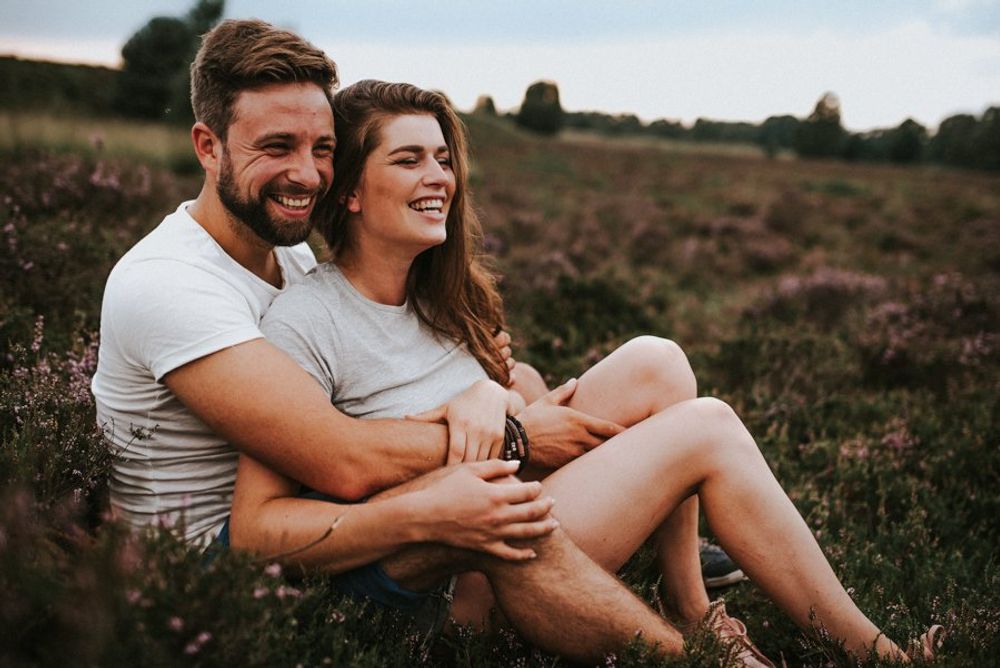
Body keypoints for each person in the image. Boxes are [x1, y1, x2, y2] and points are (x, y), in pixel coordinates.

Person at [232, 79, 943, 665]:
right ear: (350, 193)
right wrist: (480, 417)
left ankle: (690, 603)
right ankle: (879, 656)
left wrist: (507, 392)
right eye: (410, 160)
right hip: (464, 570)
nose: (439, 178)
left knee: (658, 364)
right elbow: (268, 519)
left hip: (516, 510)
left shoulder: (436, 298)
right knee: (707, 429)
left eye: (444, 159)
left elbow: (509, 399)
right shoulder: (307, 321)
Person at [89, 18, 731, 664]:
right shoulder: (167, 285)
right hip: (217, 580)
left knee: (543, 383)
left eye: (321, 149)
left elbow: (360, 398)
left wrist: (485, 385)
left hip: (318, 520)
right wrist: (519, 437)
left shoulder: (292, 261)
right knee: (494, 489)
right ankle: (692, 650)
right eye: (277, 146)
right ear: (208, 146)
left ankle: (666, 562)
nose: (308, 175)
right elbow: (342, 456)